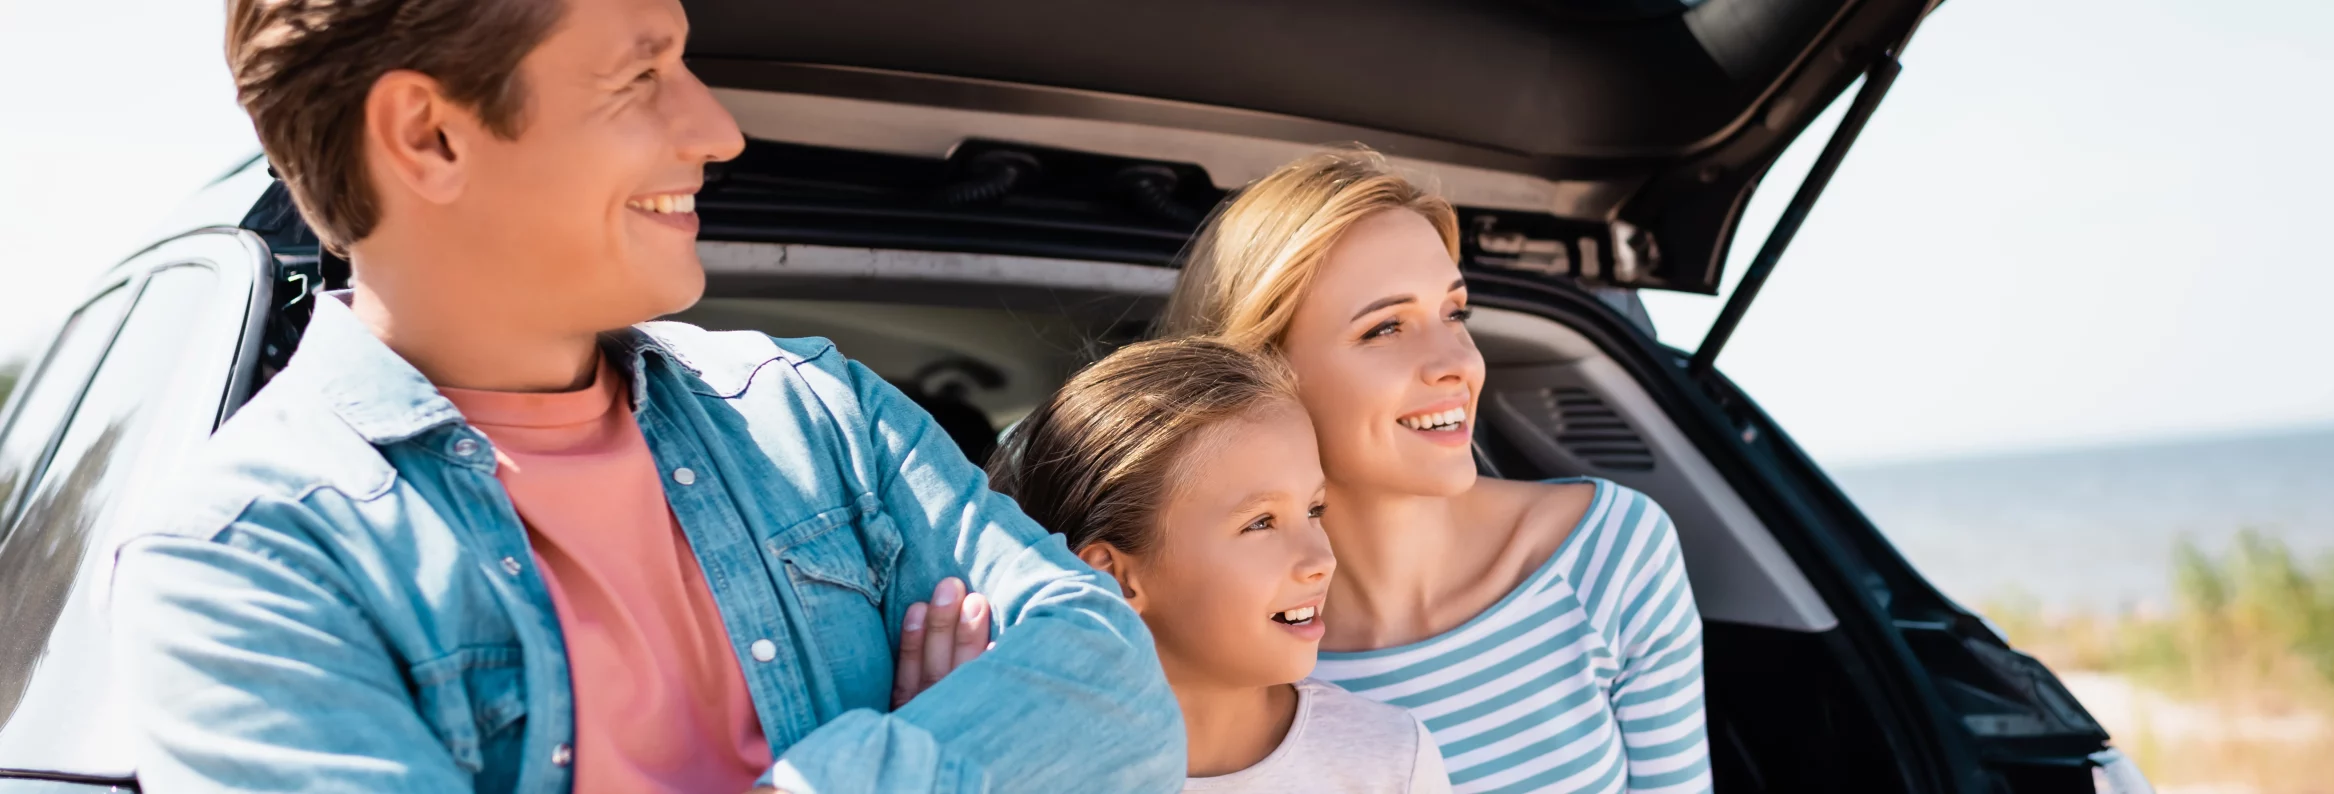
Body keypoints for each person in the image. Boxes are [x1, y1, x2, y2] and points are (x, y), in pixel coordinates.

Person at [105, 0, 1183, 791]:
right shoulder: (243, 560)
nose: (717, 129)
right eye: (641, 75)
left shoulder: (817, 411)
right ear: (429, 136)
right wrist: (928, 755)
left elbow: (1116, 695)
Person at [1159, 149, 1714, 793]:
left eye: (1454, 313)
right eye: (1386, 327)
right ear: (1260, 374)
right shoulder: (1216, 644)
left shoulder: (1613, 554)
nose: (1457, 362)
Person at [983, 337, 1452, 794]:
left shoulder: (1389, 763)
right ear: (1112, 578)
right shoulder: (1010, 770)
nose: (1321, 560)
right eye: (1261, 523)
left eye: (1314, 511)